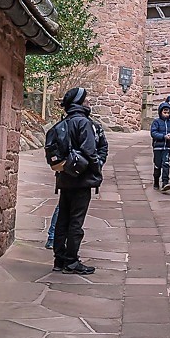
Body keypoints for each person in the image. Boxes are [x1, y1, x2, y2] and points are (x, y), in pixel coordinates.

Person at [52, 87, 108, 274]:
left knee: (63, 219)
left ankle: (59, 260)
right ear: (79, 102)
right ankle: (71, 261)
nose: (88, 102)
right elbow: (90, 152)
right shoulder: (83, 123)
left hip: (65, 178)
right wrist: (97, 170)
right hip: (81, 180)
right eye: (85, 99)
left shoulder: (65, 122)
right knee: (76, 222)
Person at [151, 102, 170, 192]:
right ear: (160, 112)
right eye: (164, 112)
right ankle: (156, 181)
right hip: (157, 147)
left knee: (166, 164)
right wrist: (163, 136)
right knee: (157, 165)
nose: (166, 114)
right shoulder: (156, 122)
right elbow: (153, 133)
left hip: (167, 147)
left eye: (168, 113)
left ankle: (165, 182)